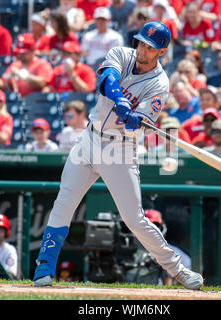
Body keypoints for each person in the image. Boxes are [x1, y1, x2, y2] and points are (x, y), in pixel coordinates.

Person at [32, 21, 203, 290]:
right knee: (64, 201)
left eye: (150, 47)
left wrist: (134, 119)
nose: (143, 50)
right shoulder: (122, 53)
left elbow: (141, 120)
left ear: (162, 51)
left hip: (120, 149)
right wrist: (118, 98)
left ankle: (179, 271)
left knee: (134, 219)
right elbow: (106, 79)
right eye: (142, 43)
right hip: (89, 139)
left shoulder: (159, 83)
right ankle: (44, 268)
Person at [0, 33, 53, 97]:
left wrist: (20, 74)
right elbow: (2, 86)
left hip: (35, 102)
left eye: (24, 53)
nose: (21, 55)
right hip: (17, 101)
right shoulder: (15, 65)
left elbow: (40, 83)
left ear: (32, 51)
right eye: (19, 52)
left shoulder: (42, 64)